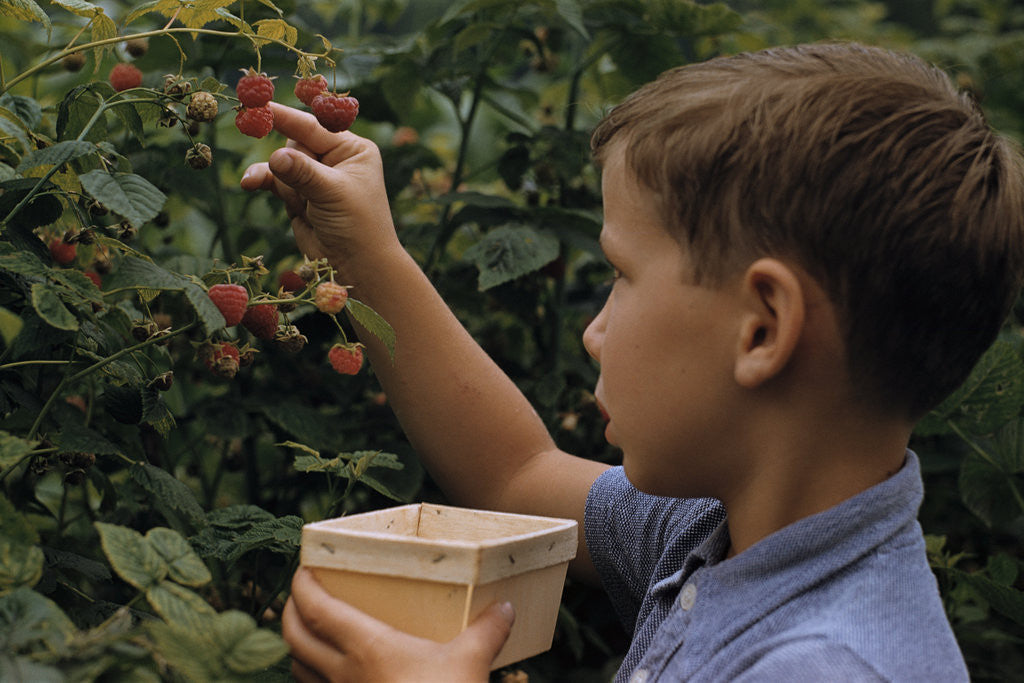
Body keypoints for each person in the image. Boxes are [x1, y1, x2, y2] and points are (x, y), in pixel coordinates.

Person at [241, 42, 1024, 682]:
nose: (595, 330)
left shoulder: (826, 666)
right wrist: (369, 260)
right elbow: (516, 470)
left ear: (762, 330)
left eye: (622, 273)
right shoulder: (718, 527)